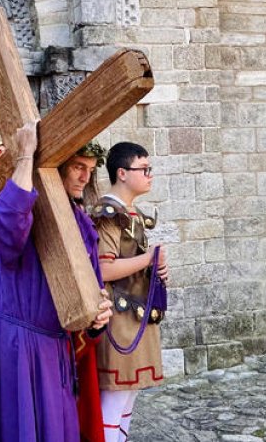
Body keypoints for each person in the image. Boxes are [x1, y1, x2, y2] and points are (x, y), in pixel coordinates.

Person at [0, 124, 113, 441]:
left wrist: (96, 317)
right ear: (55, 165)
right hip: (16, 346)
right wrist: (25, 157)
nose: (84, 177)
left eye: (90, 169)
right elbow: (7, 231)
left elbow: (89, 285)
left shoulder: (80, 220)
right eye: (78, 167)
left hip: (54, 348)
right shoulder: (19, 202)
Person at [92, 142, 167, 442]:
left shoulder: (131, 212)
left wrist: (156, 269)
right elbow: (105, 269)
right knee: (113, 401)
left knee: (128, 399)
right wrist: (149, 258)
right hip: (117, 320)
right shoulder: (108, 213)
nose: (150, 175)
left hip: (135, 316)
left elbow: (132, 263)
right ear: (122, 173)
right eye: (144, 169)